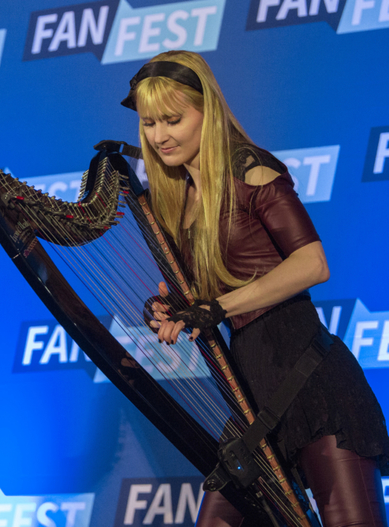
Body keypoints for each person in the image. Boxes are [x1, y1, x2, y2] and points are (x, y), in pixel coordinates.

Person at [123, 50, 389, 525]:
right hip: (252, 401)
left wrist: (217, 308)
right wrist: (169, 307)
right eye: (148, 124)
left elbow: (312, 263)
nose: (159, 136)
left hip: (313, 387)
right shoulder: (175, 199)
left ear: (207, 111)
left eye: (172, 120)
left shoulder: (252, 169)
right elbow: (203, 297)